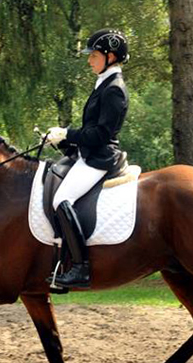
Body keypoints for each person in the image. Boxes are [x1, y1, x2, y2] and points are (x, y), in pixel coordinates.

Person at [45, 29, 130, 289]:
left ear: (111, 56)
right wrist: (65, 140)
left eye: (94, 56)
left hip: (101, 158)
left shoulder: (114, 89)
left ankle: (81, 268)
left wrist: (68, 133)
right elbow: (91, 129)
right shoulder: (103, 83)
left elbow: (102, 134)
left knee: (61, 199)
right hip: (89, 153)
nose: (89, 61)